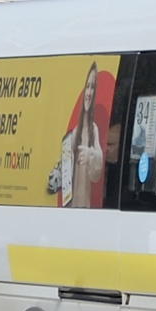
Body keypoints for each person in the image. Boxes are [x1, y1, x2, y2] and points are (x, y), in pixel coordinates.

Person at [48, 63, 105, 208]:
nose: (89, 92)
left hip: (85, 207)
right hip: (73, 207)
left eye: (93, 87)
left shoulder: (94, 129)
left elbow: (98, 167)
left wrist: (91, 154)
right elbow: (64, 160)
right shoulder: (76, 132)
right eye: (87, 86)